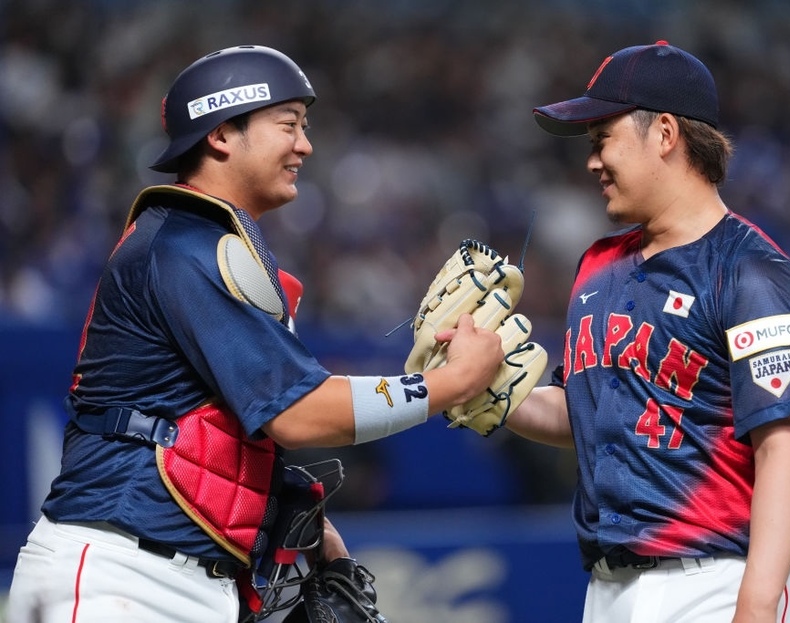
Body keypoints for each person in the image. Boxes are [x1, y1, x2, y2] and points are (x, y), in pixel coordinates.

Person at [6, 45, 503, 623]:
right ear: (221, 134)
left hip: (184, 576)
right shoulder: (183, 245)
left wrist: (294, 520)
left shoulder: (217, 246)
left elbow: (218, 427)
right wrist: (448, 383)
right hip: (118, 571)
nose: (305, 145)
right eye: (287, 125)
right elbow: (300, 413)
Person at [506, 41, 790, 622]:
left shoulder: (752, 274)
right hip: (607, 588)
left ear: (663, 133)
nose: (591, 162)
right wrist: (482, 389)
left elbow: (784, 448)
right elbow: (587, 414)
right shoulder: (598, 266)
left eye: (601, 138)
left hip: (714, 584)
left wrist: (757, 604)